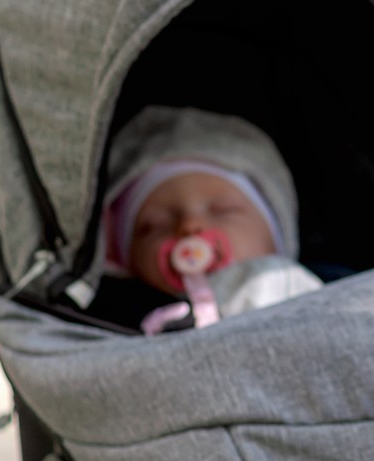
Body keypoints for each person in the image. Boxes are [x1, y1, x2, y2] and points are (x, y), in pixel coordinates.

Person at [99, 105, 321, 334]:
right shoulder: (111, 319)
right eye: (156, 225)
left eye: (223, 210)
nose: (189, 225)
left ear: (276, 240)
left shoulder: (290, 288)